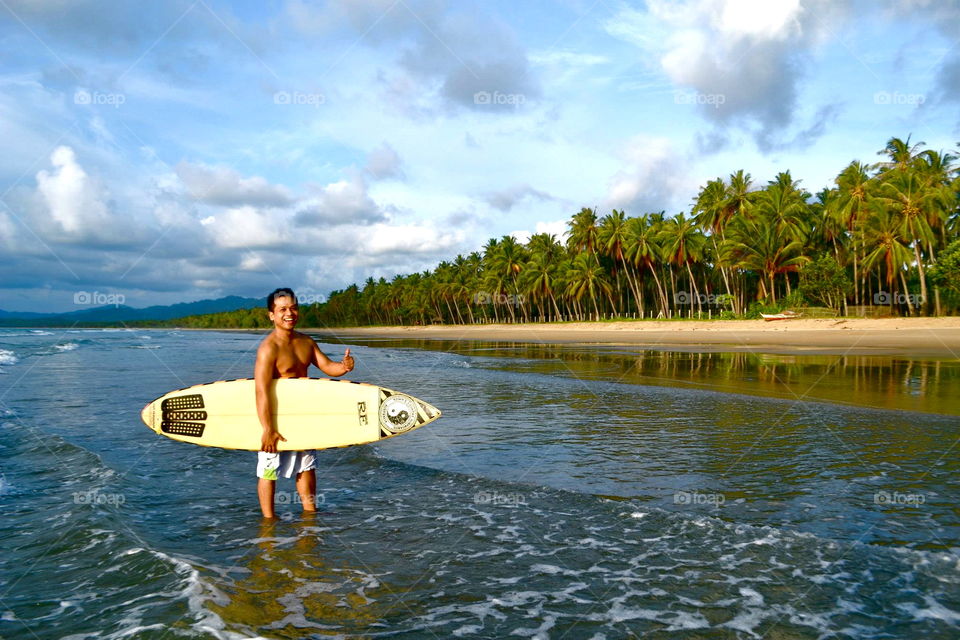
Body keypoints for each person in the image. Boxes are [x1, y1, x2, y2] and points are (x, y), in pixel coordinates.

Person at [255, 287, 355, 518]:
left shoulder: (306, 342)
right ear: (272, 315)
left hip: (302, 414)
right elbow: (261, 390)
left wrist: (344, 366)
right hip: (275, 417)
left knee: (307, 467)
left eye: (293, 308)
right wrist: (267, 429)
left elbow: (328, 367)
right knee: (269, 470)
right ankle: (268, 521)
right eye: (282, 309)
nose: (289, 313)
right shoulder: (268, 348)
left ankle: (310, 513)